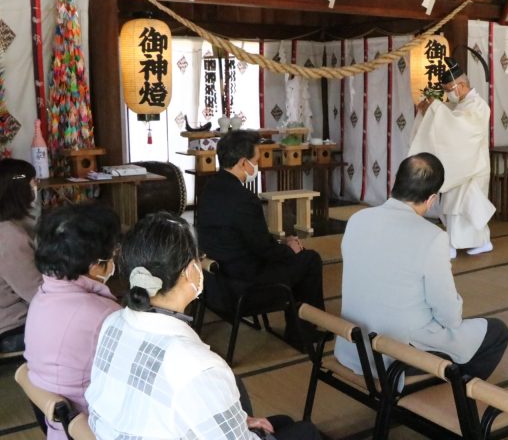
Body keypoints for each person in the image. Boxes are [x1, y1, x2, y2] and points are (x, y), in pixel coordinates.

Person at [86, 212, 320, 440]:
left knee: (283, 423)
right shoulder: (198, 366)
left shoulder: (112, 322)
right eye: (199, 258)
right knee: (305, 431)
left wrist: (242, 422)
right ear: (190, 272)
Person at [335, 153, 508, 380]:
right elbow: (449, 316)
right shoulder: (432, 237)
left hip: (353, 347)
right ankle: (451, 398)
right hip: (395, 357)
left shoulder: (358, 219)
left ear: (395, 184)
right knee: (496, 331)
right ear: (432, 199)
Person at [197, 130, 324, 346]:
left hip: (216, 281)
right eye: (256, 160)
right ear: (243, 162)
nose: (258, 165)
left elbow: (247, 240)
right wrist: (289, 248)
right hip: (245, 286)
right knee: (309, 259)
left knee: (294, 256)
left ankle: (300, 328)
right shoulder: (244, 200)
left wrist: (280, 245)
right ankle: (302, 334)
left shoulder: (209, 189)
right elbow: (263, 251)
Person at [24, 203, 121, 439]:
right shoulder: (103, 315)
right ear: (96, 265)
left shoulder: (43, 295)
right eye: (113, 253)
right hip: (89, 428)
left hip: (56, 426)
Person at [408, 57, 496, 259]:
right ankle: (480, 241)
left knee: (464, 207)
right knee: (455, 206)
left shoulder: (479, 105)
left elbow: (461, 128)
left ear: (462, 85)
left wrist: (436, 109)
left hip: (473, 166)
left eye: (449, 89)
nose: (448, 94)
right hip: (462, 165)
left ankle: (457, 244)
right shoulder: (463, 104)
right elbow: (450, 120)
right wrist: (429, 110)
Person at [0, 158, 42, 353]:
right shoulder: (9, 236)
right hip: (11, 329)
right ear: (19, 190)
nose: (36, 186)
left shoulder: (12, 227)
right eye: (33, 182)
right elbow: (37, 293)